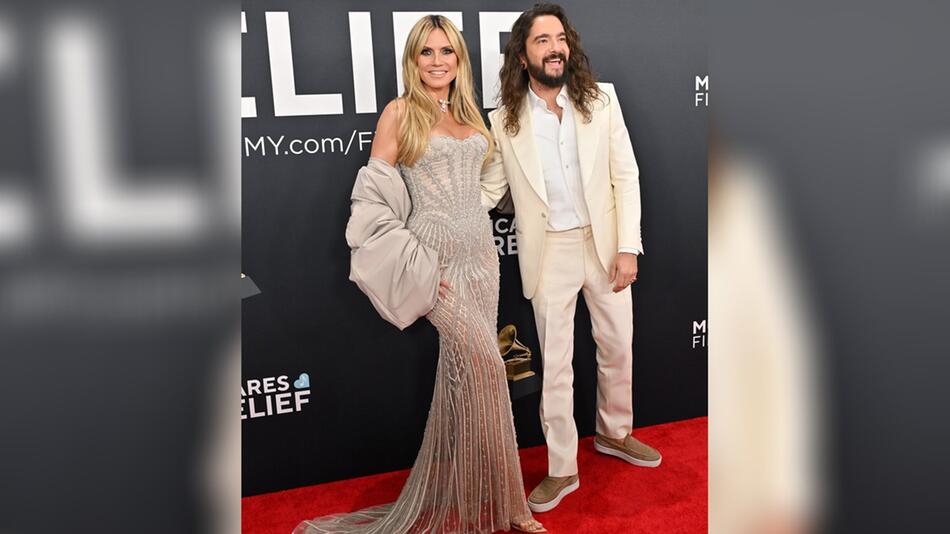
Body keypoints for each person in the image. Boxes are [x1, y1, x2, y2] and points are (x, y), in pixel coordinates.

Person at [295, 15, 545, 534]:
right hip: (437, 263)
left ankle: (483, 497)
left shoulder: (471, 112)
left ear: (460, 58)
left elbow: (485, 186)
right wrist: (417, 266)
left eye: (446, 51)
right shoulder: (400, 113)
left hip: (482, 256)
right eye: (426, 52)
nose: (437, 62)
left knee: (463, 379)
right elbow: (372, 199)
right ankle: (504, 507)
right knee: (488, 371)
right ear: (412, 60)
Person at [480, 3, 661, 513]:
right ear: (522, 55)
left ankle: (614, 432)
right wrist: (448, 214)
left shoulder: (602, 101)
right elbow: (492, 189)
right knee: (556, 365)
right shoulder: (505, 121)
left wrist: (628, 245)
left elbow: (625, 175)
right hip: (549, 250)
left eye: (560, 38)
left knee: (617, 346)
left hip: (602, 244)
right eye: (541, 40)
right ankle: (561, 468)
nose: (554, 47)